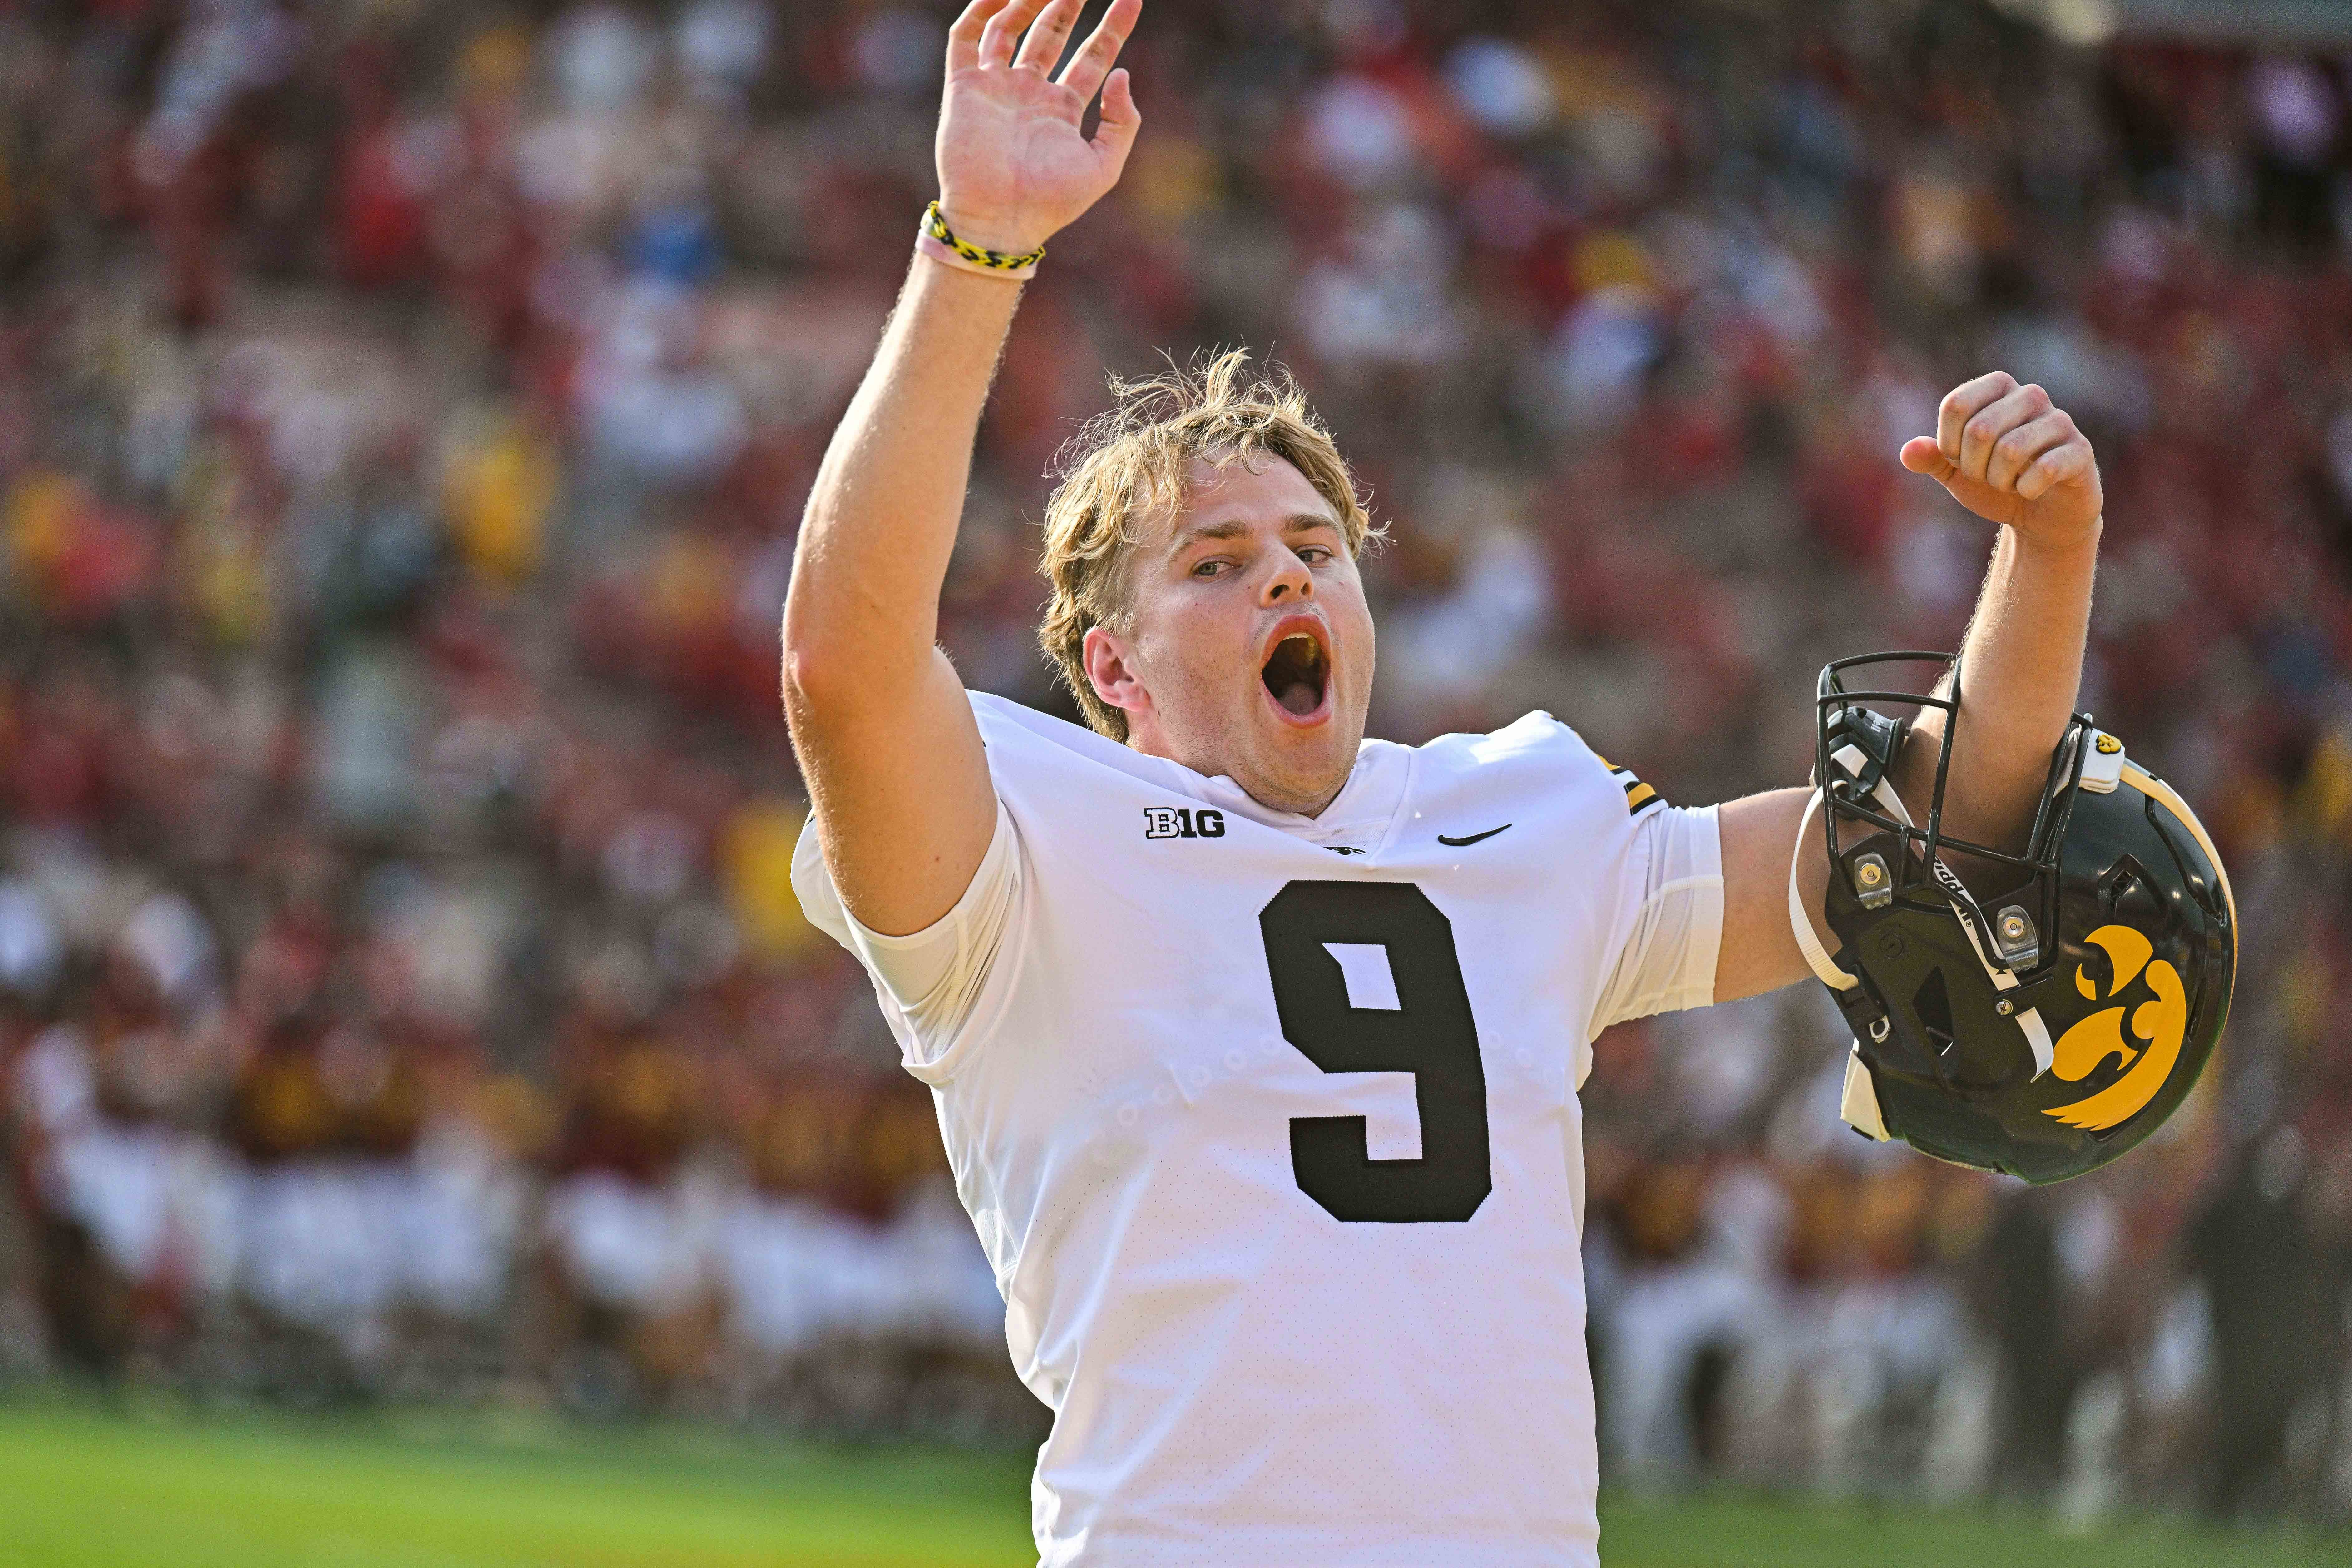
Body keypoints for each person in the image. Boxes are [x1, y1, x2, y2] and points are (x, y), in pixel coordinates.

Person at [781, 1, 2106, 1560]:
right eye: (1215, 561)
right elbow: (843, 666)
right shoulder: (1027, 853)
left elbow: (1922, 841)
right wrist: (976, 250)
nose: (1288, 577)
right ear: (1111, 665)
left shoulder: (1523, 811)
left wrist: (2050, 552)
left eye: (1314, 548)